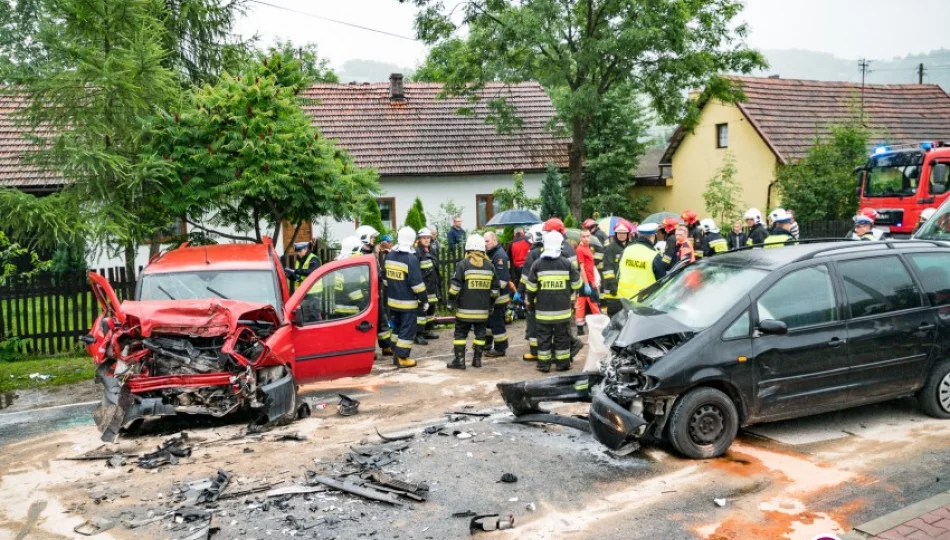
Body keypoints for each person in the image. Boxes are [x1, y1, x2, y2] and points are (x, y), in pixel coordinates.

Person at [524, 231, 581, 373]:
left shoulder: (537, 264)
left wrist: (530, 301)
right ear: (560, 245)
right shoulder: (566, 263)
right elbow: (577, 284)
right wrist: (566, 292)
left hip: (543, 311)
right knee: (562, 337)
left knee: (543, 337)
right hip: (562, 310)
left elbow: (530, 287)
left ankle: (544, 365)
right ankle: (563, 364)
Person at [446, 234, 500, 369]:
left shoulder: (463, 265)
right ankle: (477, 360)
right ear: (483, 250)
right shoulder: (490, 266)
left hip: (464, 311)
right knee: (480, 334)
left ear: (467, 250)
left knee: (460, 334)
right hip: (482, 312)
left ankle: (459, 361)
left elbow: (454, 288)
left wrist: (451, 302)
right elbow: (495, 290)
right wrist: (491, 305)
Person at [384, 227, 428, 368]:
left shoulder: (389, 255)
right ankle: (402, 358)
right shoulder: (411, 258)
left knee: (396, 329)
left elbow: (385, 279)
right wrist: (424, 300)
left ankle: (396, 353)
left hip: (392, 301)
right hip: (407, 303)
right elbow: (417, 284)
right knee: (407, 329)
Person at [356, 225, 393, 355]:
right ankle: (369, 351)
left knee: (382, 321)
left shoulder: (370, 254)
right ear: (365, 238)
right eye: (372, 238)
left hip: (376, 293)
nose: (373, 240)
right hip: (367, 296)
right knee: (368, 324)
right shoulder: (360, 256)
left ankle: (386, 347)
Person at [616, 223, 665, 300]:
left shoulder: (626, 250)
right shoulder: (654, 256)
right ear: (653, 236)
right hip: (644, 300)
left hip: (624, 299)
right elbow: (662, 283)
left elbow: (618, 273)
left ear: (638, 235)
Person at [518, 224, 545, 361]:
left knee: (533, 322)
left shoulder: (533, 253)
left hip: (533, 293)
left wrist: (520, 292)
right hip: (547, 295)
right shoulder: (550, 251)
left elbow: (526, 276)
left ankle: (534, 351)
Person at [483, 231, 511, 357]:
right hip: (492, 298)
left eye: (487, 241)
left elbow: (502, 281)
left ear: (494, 240)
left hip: (499, 298)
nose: (485, 244)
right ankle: (487, 343)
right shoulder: (491, 254)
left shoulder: (500, 257)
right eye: (484, 241)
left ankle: (500, 348)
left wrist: (491, 293)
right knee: (489, 322)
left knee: (497, 323)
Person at [600, 219, 633, 317]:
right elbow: (608, 270)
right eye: (619, 233)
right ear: (615, 234)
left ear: (628, 234)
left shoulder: (630, 247)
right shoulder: (611, 248)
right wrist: (613, 286)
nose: (621, 235)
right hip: (613, 291)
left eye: (624, 233)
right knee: (615, 317)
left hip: (626, 289)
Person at [414, 228, 441, 344]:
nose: (427, 240)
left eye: (428, 237)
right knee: (421, 313)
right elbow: (416, 273)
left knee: (431, 310)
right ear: (419, 239)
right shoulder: (417, 252)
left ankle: (427, 331)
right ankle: (418, 334)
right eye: (424, 237)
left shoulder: (431, 251)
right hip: (423, 288)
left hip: (432, 287)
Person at [574, 229, 601, 335]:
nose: (586, 238)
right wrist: (587, 283)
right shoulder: (580, 249)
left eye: (588, 236)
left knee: (581, 304)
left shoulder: (587, 248)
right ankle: (598, 328)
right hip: (587, 281)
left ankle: (580, 329)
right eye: (584, 236)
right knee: (594, 304)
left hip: (587, 281)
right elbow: (582, 268)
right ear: (580, 238)